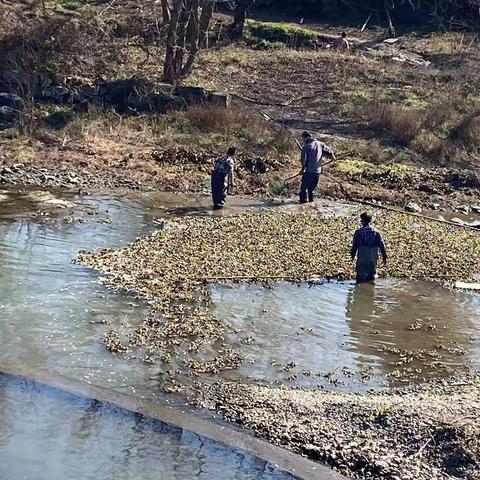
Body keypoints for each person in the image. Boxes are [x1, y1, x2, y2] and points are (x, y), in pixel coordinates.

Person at [299, 131, 335, 204]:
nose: (303, 141)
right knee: (311, 189)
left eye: (303, 139)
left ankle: (303, 205)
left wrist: (302, 170)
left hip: (309, 171)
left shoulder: (306, 147)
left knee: (303, 189)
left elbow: (303, 160)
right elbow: (329, 151)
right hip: (317, 172)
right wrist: (333, 156)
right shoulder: (320, 144)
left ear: (306, 137)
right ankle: (311, 203)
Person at [351, 212, 388, 283]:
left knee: (360, 275)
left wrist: (352, 255)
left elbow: (355, 245)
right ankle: (370, 290)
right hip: (373, 255)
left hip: (363, 255)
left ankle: (360, 289)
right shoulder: (377, 232)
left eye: (361, 220)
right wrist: (384, 257)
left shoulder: (358, 232)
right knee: (371, 274)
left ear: (363, 221)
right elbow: (381, 245)